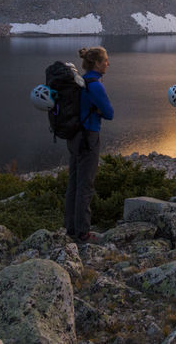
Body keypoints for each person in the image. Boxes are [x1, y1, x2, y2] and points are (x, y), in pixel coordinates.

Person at [66, 46, 114, 242]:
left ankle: (71, 228)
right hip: (89, 138)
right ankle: (83, 233)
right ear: (96, 63)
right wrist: (99, 111)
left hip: (75, 137)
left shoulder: (80, 82)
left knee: (74, 183)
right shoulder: (95, 85)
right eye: (105, 60)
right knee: (86, 185)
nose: (108, 63)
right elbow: (110, 113)